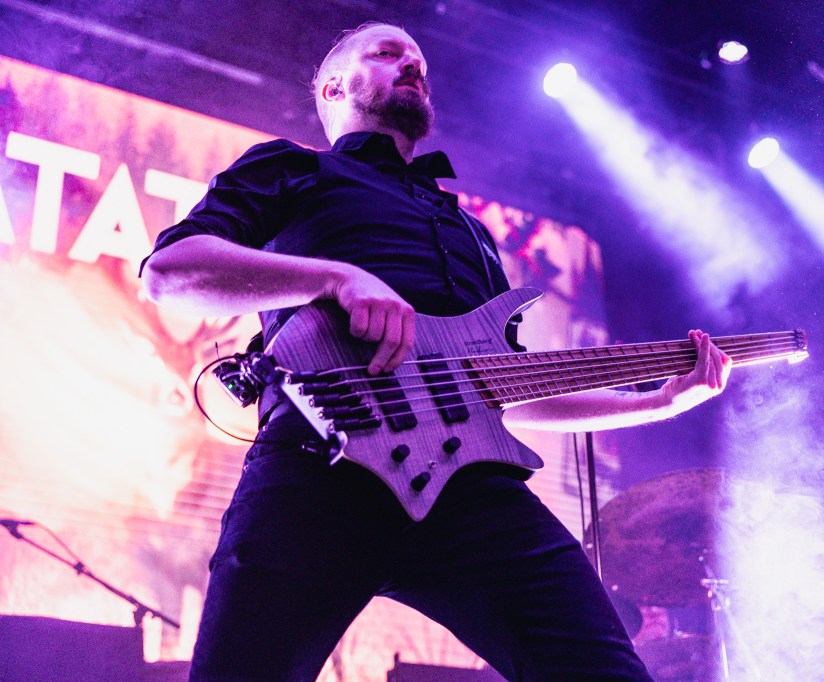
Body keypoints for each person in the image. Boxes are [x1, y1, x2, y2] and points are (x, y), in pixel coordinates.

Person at [140, 21, 731, 681]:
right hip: (319, 467)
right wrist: (336, 278)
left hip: (472, 492)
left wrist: (656, 402)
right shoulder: (293, 168)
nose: (412, 64)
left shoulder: (470, 231)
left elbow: (505, 391)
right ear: (333, 87)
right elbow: (170, 272)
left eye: (418, 58)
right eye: (386, 52)